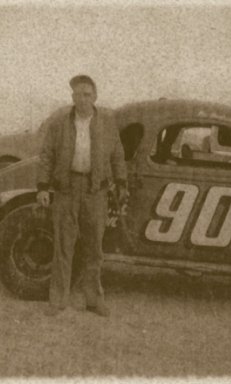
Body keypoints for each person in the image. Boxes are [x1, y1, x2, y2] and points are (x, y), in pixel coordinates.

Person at [36, 75, 127, 317]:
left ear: (95, 97)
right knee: (63, 247)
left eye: (87, 94)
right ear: (72, 97)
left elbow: (117, 154)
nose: (82, 99)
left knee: (94, 248)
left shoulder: (107, 122)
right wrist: (43, 187)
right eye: (78, 94)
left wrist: (121, 182)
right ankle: (58, 300)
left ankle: (93, 300)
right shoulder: (60, 123)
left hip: (95, 191)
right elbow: (46, 155)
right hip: (66, 189)